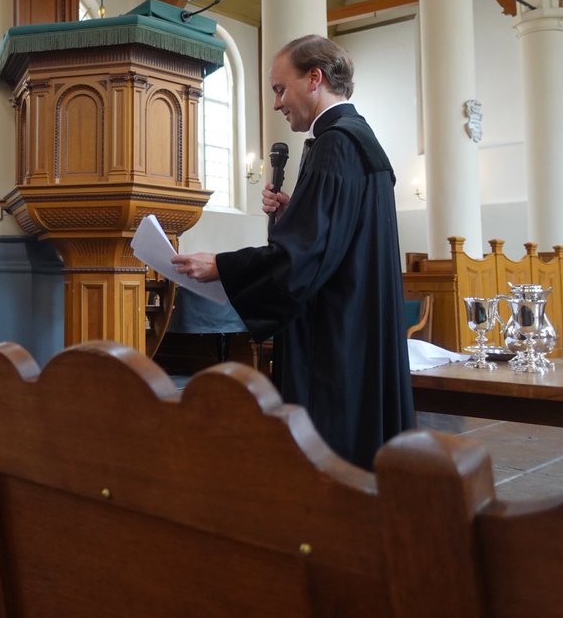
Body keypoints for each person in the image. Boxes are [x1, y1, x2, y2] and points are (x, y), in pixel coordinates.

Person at [171, 35, 413, 470]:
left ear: (314, 79)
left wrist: (222, 266)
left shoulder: (335, 144)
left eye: (280, 89)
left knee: (330, 458)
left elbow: (300, 262)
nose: (277, 103)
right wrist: (296, 212)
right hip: (361, 320)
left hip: (333, 332)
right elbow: (342, 234)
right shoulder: (359, 138)